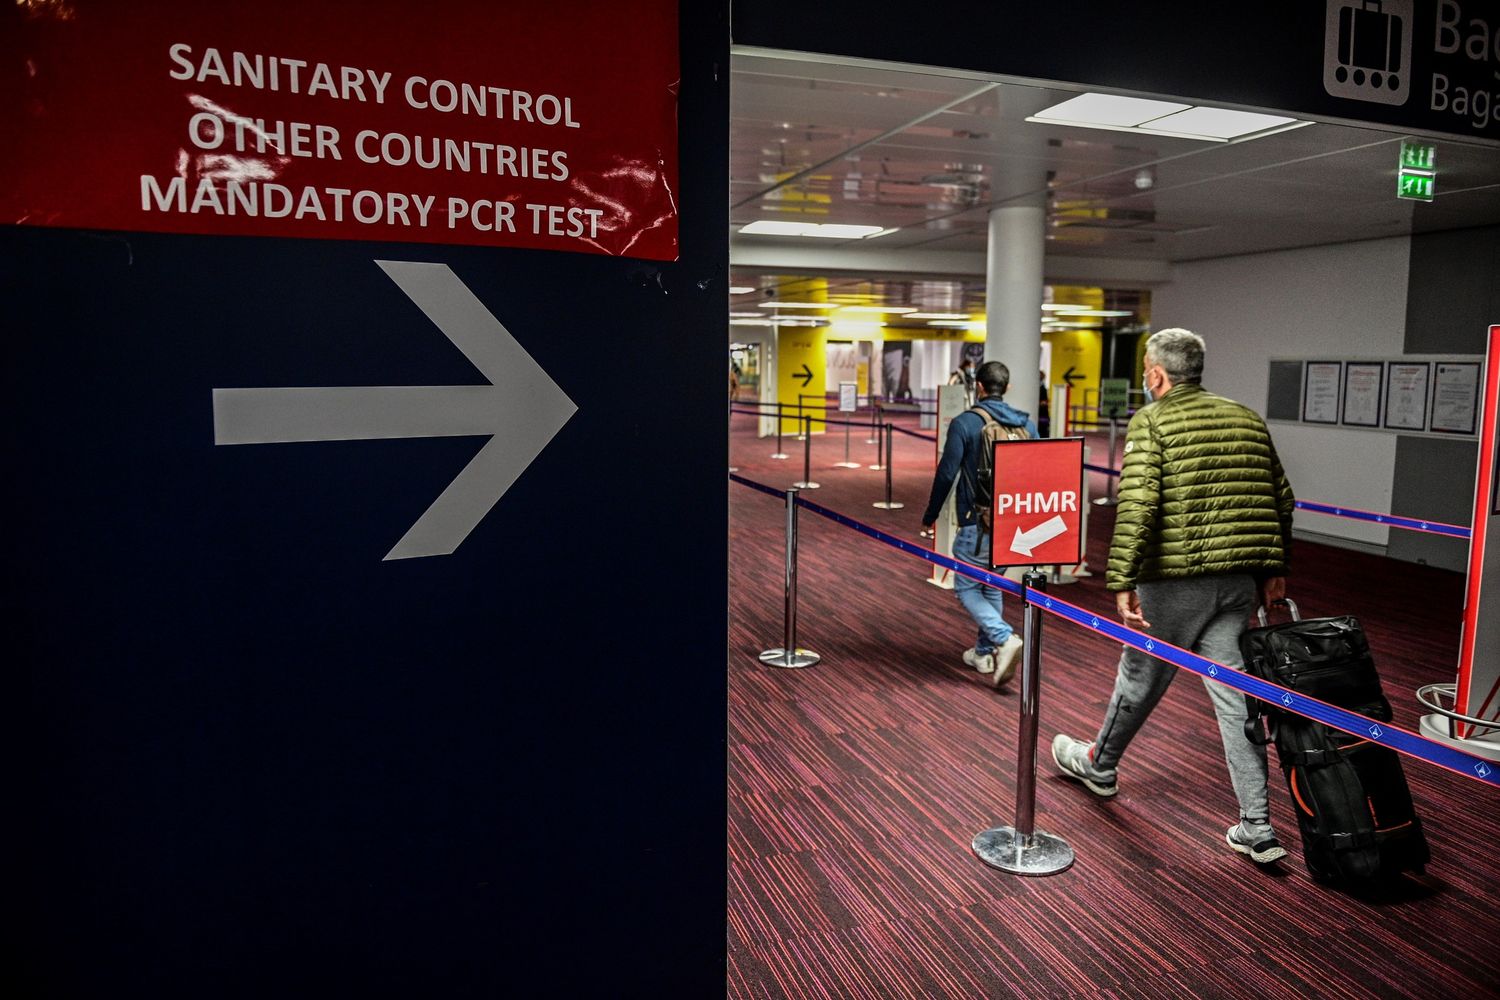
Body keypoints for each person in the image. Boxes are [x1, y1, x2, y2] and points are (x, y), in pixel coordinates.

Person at [1051, 328, 1296, 865]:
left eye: (1145, 368)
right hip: (1237, 584)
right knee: (1236, 700)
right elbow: (1282, 499)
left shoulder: (1153, 421)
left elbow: (1138, 506)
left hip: (1173, 581)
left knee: (1140, 677)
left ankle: (1099, 764)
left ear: (1157, 374)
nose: (1144, 376)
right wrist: (1275, 569)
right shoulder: (1245, 417)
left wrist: (1119, 578)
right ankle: (1257, 823)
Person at [921, 360, 1038, 687]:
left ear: (980, 387)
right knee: (992, 584)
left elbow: (946, 474)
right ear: (1008, 387)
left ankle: (1003, 638)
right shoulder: (1027, 425)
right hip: (1016, 525)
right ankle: (984, 655)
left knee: (967, 586)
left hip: (977, 522)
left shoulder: (965, 423)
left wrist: (930, 516)